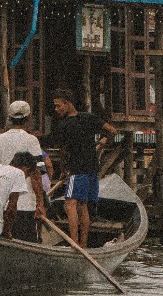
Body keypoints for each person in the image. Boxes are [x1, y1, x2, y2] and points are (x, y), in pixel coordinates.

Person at [49, 94, 115, 246]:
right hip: (92, 168)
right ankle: (83, 245)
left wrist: (64, 171)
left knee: (69, 205)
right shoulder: (89, 118)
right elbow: (112, 131)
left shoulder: (65, 125)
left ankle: (74, 243)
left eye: (58, 105)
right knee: (82, 205)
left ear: (68, 104)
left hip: (77, 169)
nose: (56, 109)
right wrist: (103, 140)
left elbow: (64, 151)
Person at [0, 100, 52, 241]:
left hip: (3, 203)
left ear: (10, 118)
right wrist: (40, 203)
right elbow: (37, 173)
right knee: (28, 241)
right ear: (29, 118)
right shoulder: (32, 140)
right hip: (26, 204)